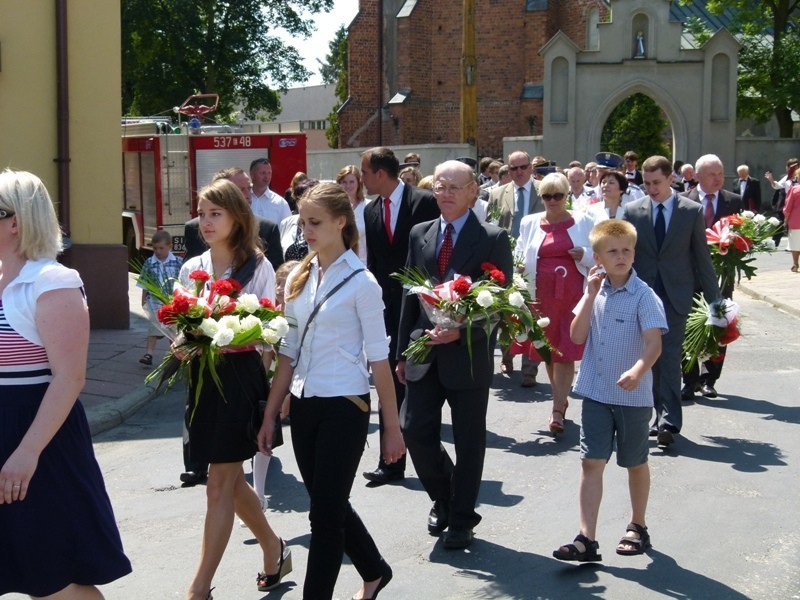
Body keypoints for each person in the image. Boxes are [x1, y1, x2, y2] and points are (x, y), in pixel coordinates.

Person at [258, 182, 404, 600]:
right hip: (304, 407)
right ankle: (374, 570)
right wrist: (271, 414)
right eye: (303, 221)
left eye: (316, 222)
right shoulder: (299, 278)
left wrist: (392, 430)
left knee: (322, 518)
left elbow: (380, 363)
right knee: (329, 503)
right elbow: (287, 352)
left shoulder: (363, 283)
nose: (307, 230)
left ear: (341, 221)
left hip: (346, 406)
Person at [0, 169, 132, 597]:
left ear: (14, 220)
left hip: (37, 438)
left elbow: (69, 378)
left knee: (54, 579)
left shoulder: (51, 282)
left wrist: (26, 453)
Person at [179, 178, 288, 599]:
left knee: (219, 482)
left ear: (236, 217)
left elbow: (268, 332)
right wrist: (183, 339)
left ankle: (200, 587)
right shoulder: (193, 268)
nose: (205, 222)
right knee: (230, 479)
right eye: (202, 214)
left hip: (241, 380)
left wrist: (267, 402)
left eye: (215, 214)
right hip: (203, 381)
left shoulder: (257, 266)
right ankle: (273, 547)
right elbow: (176, 318)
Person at [397, 160, 513, 549]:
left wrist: (462, 327)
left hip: (467, 354)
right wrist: (402, 351)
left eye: (453, 187)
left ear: (472, 192)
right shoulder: (420, 233)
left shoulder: (493, 238)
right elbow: (409, 296)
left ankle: (462, 519)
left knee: (468, 439)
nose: (444, 194)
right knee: (414, 429)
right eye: (440, 186)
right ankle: (443, 497)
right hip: (424, 349)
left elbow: (499, 302)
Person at [553, 219, 666, 563]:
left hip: (632, 397)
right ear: (598, 257)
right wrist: (588, 296)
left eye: (626, 251)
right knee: (591, 461)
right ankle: (587, 538)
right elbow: (575, 335)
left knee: (634, 461)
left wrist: (638, 369)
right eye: (612, 251)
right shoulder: (595, 291)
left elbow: (653, 343)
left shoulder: (644, 296)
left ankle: (638, 525)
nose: (621, 257)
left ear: (634, 253)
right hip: (596, 392)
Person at [622, 156, 719, 450]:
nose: (651, 189)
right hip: (643, 295)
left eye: (656, 183)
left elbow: (702, 259)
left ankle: (669, 421)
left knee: (670, 356)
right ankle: (656, 414)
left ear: (670, 179)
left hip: (676, 295)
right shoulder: (632, 211)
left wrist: (716, 303)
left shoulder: (691, 211)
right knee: (650, 359)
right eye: (646, 183)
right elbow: (625, 255)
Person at [361, 146, 440, 485]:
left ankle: (429, 461)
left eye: (365, 173)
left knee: (420, 386)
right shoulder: (370, 210)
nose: (362, 180)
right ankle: (391, 462)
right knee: (388, 383)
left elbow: (434, 252)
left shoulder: (422, 201)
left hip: (420, 310)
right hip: (387, 310)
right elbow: (376, 264)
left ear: (380, 173)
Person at [515, 172, 596, 435]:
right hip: (541, 296)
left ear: (566, 196)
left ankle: (557, 409)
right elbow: (520, 250)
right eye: (547, 196)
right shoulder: (529, 222)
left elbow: (600, 253)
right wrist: (518, 267)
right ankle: (559, 398)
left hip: (572, 296)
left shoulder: (583, 221)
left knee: (566, 351)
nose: (552, 201)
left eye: (558, 195)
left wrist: (584, 254)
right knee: (549, 351)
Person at [680, 154, 742, 400]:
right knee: (688, 327)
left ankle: (709, 379)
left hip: (720, 278)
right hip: (689, 277)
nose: (718, 179)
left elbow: (743, 239)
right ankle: (689, 379)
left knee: (719, 326)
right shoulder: (683, 201)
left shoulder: (733, 201)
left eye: (720, 173)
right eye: (712, 174)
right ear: (698, 176)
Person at [487, 150, 544, 386]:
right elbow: (491, 225)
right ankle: (507, 355)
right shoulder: (497, 194)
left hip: (536, 258)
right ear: (508, 170)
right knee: (505, 310)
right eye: (513, 168)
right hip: (506, 259)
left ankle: (530, 368)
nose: (519, 172)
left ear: (531, 167)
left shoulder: (545, 190)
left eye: (523, 167)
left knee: (533, 312)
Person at [184, 167, 283, 271]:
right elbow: (190, 278)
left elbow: (276, 275)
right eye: (239, 190)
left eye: (249, 189)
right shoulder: (194, 229)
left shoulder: (267, 229)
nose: (248, 195)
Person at [138, 229, 182, 366]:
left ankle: (174, 354)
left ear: (170, 246)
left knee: (172, 329)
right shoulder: (150, 263)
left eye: (161, 248)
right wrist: (143, 298)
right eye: (155, 248)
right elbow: (145, 281)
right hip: (154, 302)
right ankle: (149, 354)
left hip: (172, 301)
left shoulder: (177, 262)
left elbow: (182, 280)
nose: (158, 251)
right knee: (153, 328)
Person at [336, 165, 368, 264]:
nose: (348, 186)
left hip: (364, 264)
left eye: (351, 182)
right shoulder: (335, 208)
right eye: (344, 182)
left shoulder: (369, 207)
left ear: (359, 183)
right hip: (340, 263)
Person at [250, 157, 292, 224]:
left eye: (269, 173)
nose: (267, 177)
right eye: (263, 173)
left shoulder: (281, 203)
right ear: (252, 174)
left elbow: (288, 228)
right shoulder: (242, 199)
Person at [783, 178, 800, 272]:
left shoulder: (794, 189)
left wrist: (786, 219)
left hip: (796, 220)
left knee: (795, 244)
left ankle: (795, 264)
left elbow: (788, 207)